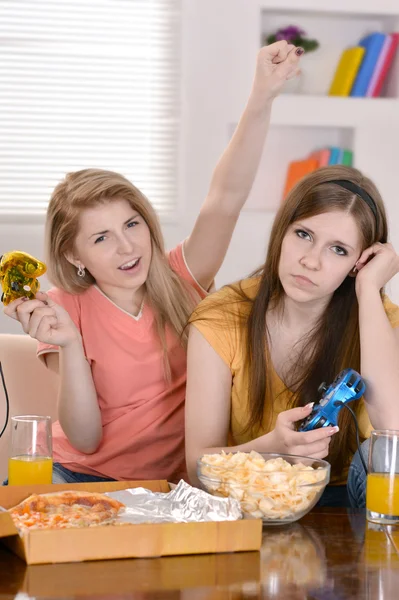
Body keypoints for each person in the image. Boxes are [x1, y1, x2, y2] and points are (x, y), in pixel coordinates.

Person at [3, 42, 304, 485]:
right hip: (76, 476)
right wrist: (68, 344)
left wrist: (262, 95)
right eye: (101, 237)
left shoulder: (182, 276)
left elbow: (225, 198)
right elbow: (84, 440)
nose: (127, 247)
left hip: (171, 489)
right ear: (72, 253)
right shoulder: (60, 307)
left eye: (132, 224)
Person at [185, 165, 399, 507]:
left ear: (359, 263)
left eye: (339, 250)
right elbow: (198, 469)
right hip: (256, 497)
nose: (310, 261)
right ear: (281, 231)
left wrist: (370, 288)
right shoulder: (223, 315)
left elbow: (393, 433)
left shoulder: (381, 320)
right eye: (304, 234)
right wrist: (273, 446)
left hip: (350, 502)